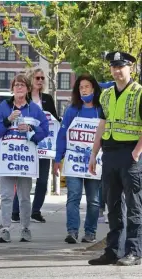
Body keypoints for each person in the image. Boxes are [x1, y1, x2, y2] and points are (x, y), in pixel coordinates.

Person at [88, 51, 142, 266]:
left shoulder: (139, 93)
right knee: (113, 205)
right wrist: (93, 154)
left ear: (131, 68)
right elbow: (101, 125)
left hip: (130, 155)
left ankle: (134, 251)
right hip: (109, 154)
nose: (117, 70)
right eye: (114, 66)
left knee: (134, 205)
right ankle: (113, 250)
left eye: (121, 66)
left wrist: (137, 152)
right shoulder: (106, 94)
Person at [0, 74, 49, 243]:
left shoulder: (34, 110)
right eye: (16, 85)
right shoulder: (3, 107)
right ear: (12, 89)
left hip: (25, 159)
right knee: (6, 195)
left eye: (22, 85)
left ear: (28, 89)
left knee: (24, 196)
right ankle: (5, 229)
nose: (19, 88)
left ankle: (25, 228)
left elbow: (44, 130)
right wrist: (8, 121)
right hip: (8, 159)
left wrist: (30, 128)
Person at [53, 73, 102, 244]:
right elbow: (62, 134)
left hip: (95, 163)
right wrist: (58, 158)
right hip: (74, 161)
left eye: (87, 86)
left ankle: (90, 232)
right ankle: (72, 231)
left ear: (94, 88)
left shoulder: (101, 110)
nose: (83, 90)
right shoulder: (72, 110)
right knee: (73, 196)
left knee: (94, 200)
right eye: (81, 87)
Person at [12, 67, 59, 224]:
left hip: (44, 145)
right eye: (37, 78)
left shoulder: (47, 99)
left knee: (43, 181)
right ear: (30, 79)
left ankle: (36, 211)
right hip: (25, 145)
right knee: (23, 179)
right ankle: (15, 211)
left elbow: (55, 120)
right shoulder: (23, 99)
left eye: (42, 78)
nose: (40, 81)